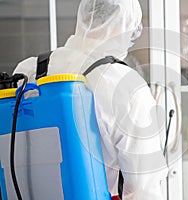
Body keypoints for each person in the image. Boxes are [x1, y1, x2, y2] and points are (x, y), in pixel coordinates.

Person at [14, 0, 168, 199]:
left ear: (84, 16)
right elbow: (145, 188)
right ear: (126, 26)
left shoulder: (27, 70)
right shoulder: (125, 84)